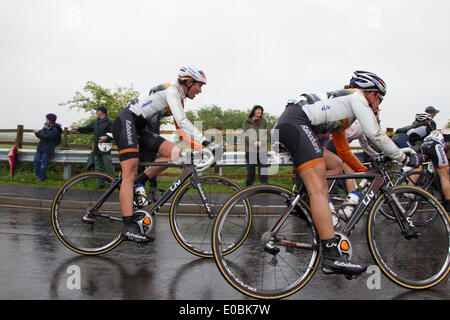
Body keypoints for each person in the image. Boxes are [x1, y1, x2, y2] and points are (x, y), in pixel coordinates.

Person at [273, 70, 421, 277]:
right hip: (295, 123)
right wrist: (403, 158)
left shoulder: (341, 113)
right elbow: (375, 134)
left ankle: (307, 206)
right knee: (319, 191)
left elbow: (343, 152)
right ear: (371, 94)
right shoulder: (356, 98)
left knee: (334, 163)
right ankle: (332, 256)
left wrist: (364, 170)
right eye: (380, 98)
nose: (379, 104)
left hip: (292, 124)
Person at [111, 65, 221, 243]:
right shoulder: (172, 91)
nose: (200, 90)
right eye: (199, 86)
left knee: (175, 154)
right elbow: (183, 121)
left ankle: (140, 181)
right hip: (126, 122)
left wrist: (203, 150)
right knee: (128, 173)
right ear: (188, 82)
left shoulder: (179, 98)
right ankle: (128, 227)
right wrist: (208, 143)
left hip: (140, 128)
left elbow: (182, 132)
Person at [71, 106, 115, 188]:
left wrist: (107, 137)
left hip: (105, 147)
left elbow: (115, 133)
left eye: (97, 111)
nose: (96, 112)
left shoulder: (109, 122)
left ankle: (113, 183)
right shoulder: (95, 122)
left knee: (108, 165)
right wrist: (78, 128)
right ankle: (100, 184)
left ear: (102, 112)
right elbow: (87, 129)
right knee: (98, 166)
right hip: (96, 147)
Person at [421, 129, 450, 212]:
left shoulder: (444, 130)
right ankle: (448, 204)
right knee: (445, 174)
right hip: (435, 146)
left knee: (437, 172)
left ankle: (428, 181)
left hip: (425, 144)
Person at [242, 105, 269, 186]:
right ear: (254, 111)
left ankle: (265, 185)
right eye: (258, 110)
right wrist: (253, 142)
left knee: (263, 168)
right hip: (250, 149)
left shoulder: (264, 121)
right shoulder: (247, 121)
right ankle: (249, 186)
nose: (260, 112)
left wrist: (262, 142)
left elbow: (267, 133)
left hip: (262, 149)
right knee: (251, 169)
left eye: (261, 111)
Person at [33, 113, 63, 182]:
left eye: (47, 118)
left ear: (50, 120)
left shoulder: (55, 129)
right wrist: (38, 133)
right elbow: (43, 135)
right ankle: (39, 176)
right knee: (36, 161)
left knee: (43, 163)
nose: (46, 120)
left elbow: (46, 136)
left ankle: (41, 178)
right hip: (41, 147)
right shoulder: (46, 127)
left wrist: (37, 132)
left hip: (48, 148)